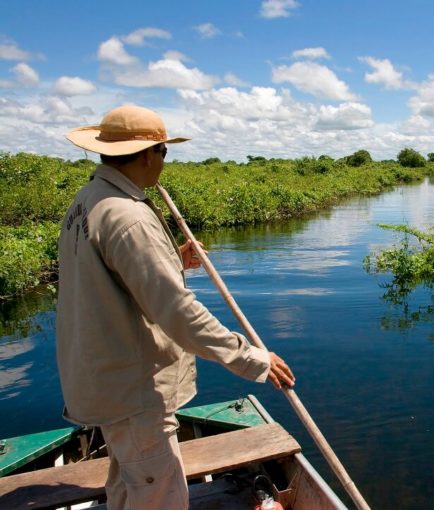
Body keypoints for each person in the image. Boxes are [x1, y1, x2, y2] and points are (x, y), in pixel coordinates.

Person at [56, 104, 296, 510]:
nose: (164, 161)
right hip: (134, 388)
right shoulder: (129, 215)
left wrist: (172, 258)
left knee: (125, 487)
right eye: (164, 151)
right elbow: (179, 314)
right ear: (149, 154)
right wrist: (252, 359)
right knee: (161, 497)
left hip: (104, 381)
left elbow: (111, 278)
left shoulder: (88, 200)